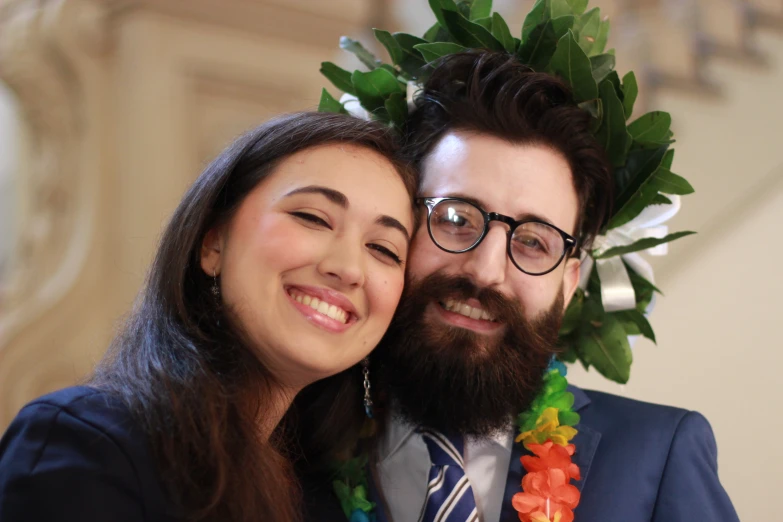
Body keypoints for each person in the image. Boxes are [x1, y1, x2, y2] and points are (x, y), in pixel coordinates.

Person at [303, 51, 741, 522]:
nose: (486, 271)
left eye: (534, 241)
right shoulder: (291, 444)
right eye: (455, 219)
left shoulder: (658, 455)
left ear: (568, 282)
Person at [0, 111, 417, 522]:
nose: (348, 268)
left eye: (384, 249)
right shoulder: (91, 444)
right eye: (312, 218)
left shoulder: (328, 500)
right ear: (213, 243)